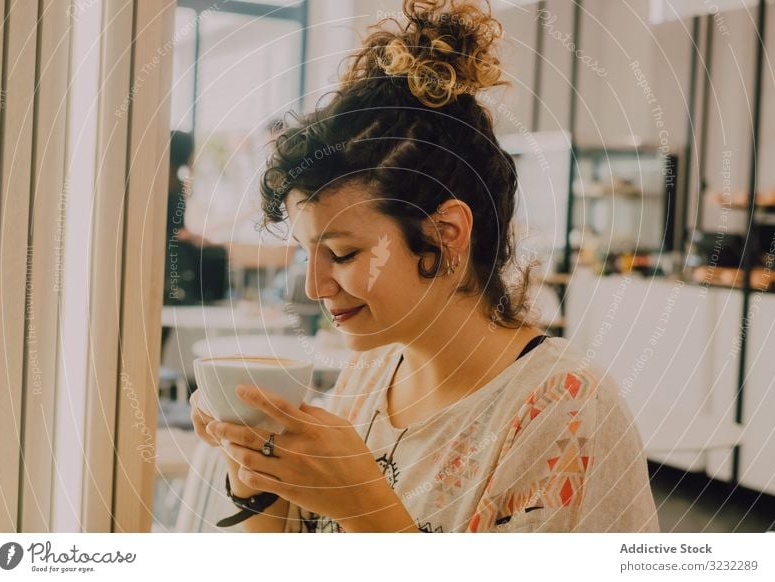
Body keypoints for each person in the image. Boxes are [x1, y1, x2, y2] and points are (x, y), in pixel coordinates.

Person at [190, 0, 659, 533]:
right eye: (307, 253)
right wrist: (254, 465)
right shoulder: (372, 370)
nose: (316, 285)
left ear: (446, 234)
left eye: (342, 253)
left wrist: (365, 506)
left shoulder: (564, 410)